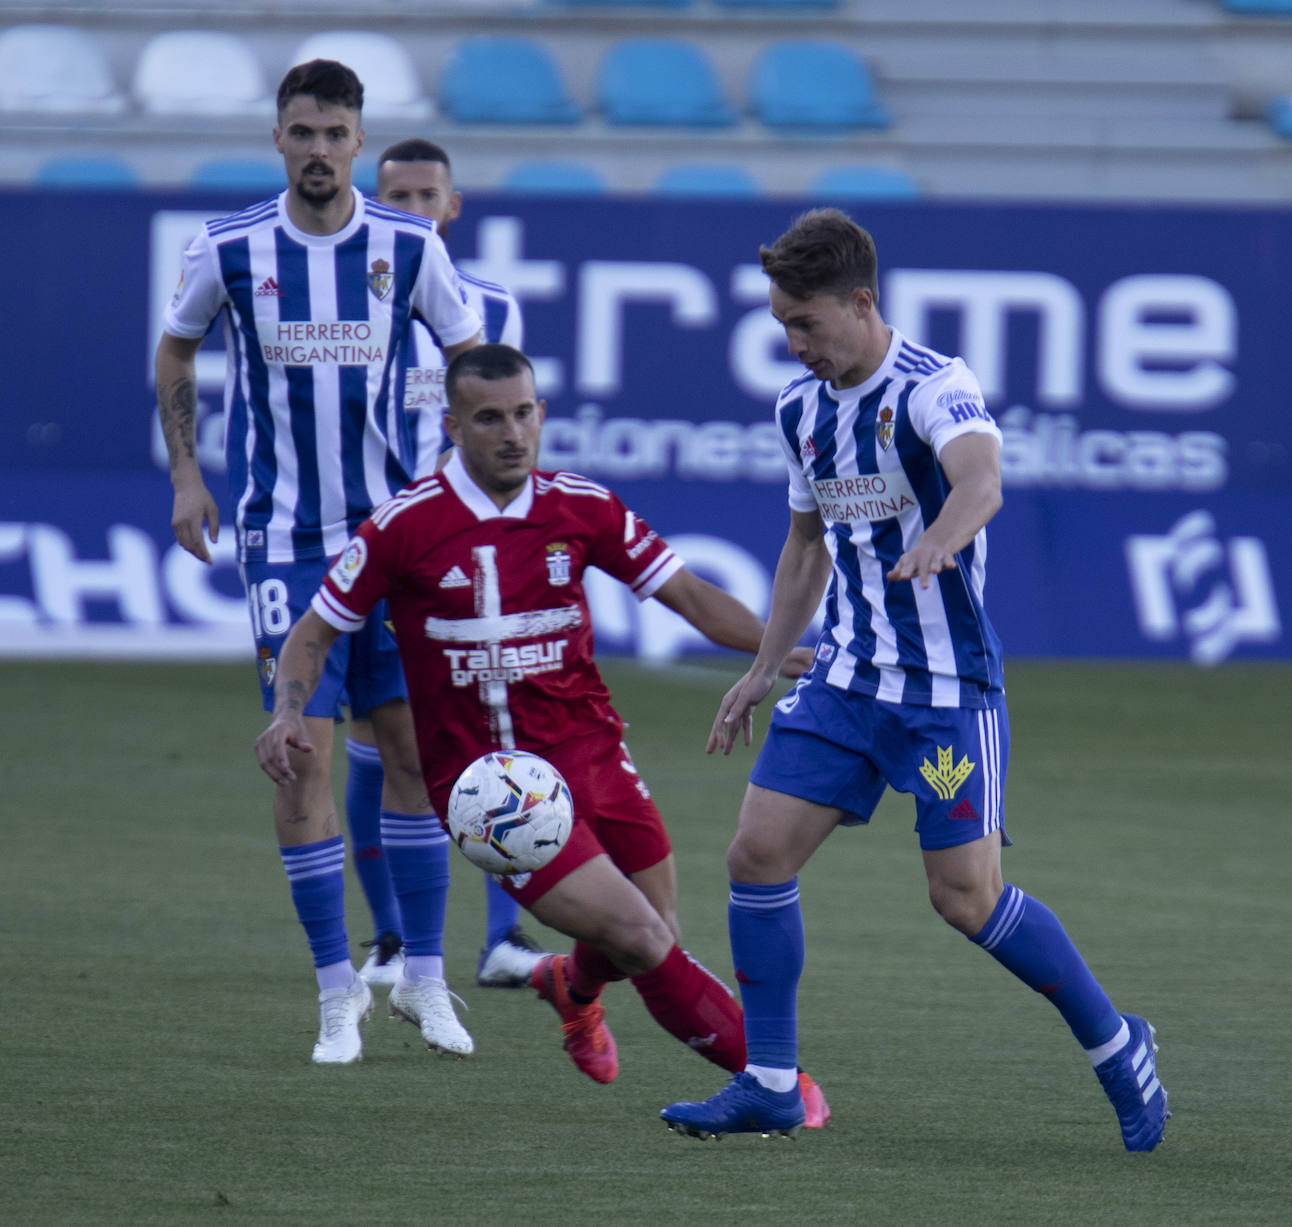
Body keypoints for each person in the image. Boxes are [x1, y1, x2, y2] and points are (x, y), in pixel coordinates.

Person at [659, 209, 1169, 1151]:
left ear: (861, 303)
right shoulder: (798, 409)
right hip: (847, 683)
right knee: (756, 853)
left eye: (806, 323)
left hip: (945, 695)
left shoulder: (934, 385)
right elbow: (806, 542)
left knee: (964, 898)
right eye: (782, 326)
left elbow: (982, 480)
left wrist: (944, 534)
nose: (793, 343)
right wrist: (765, 665)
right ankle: (771, 1081)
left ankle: (1116, 1043)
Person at [255, 344, 829, 1126]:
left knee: (656, 927)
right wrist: (290, 708)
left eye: (524, 412)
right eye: (490, 418)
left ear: (542, 414)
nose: (513, 433)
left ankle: (573, 985)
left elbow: (688, 592)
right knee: (638, 934)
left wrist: (775, 651)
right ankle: (780, 1084)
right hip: (489, 788)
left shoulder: (582, 505)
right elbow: (314, 631)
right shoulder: (402, 526)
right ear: (454, 425)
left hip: (590, 748)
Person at [155, 59, 483, 1065]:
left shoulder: (408, 245)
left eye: (335, 134)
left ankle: (425, 979)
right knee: (299, 754)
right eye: (301, 132)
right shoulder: (229, 248)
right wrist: (187, 477)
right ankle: (335, 992)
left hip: (398, 543)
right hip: (287, 542)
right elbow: (177, 352)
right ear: (279, 138)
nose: (318, 150)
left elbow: (474, 363)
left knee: (417, 756)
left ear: (358, 141)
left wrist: (470, 499)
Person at [341, 137, 544, 992]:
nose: (417, 209)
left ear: (454, 207)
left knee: (493, 733)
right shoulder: (352, 304)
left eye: (430, 194)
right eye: (399, 196)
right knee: (378, 741)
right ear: (376, 206)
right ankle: (389, 938)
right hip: (388, 540)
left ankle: (502, 936)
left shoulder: (493, 306)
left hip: (472, 552)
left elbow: (514, 433)